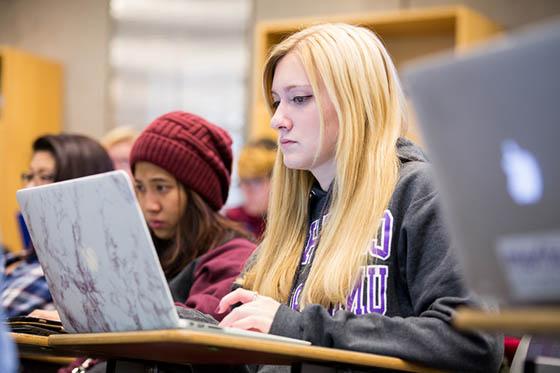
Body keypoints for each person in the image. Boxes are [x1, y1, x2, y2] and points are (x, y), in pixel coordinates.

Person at [217, 23, 503, 372]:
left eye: (299, 99)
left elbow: (475, 339)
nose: (277, 120)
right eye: (277, 102)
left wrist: (300, 328)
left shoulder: (420, 192)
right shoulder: (297, 211)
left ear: (356, 102)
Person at [130, 111, 256, 320]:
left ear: (197, 193)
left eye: (161, 187)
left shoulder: (234, 257)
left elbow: (200, 327)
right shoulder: (143, 249)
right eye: (140, 188)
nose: (149, 204)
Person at [2, 134, 114, 317]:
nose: (28, 188)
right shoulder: (15, 259)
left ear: (79, 188)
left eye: (44, 177)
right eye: (29, 176)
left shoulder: (72, 277)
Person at [225, 138, 277, 241]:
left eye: (256, 181)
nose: (247, 190)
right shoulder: (231, 222)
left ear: (277, 182)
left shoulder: (291, 222)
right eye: (243, 181)